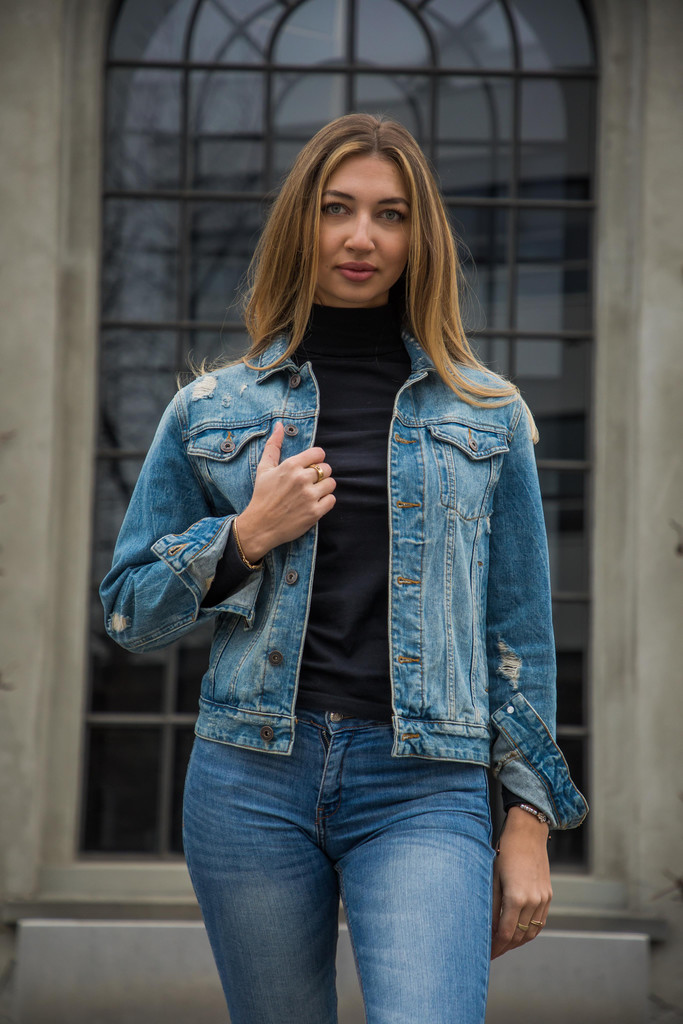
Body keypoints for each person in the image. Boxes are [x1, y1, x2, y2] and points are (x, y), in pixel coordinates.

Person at [100, 113, 587, 1024]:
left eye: (389, 214)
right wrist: (245, 536)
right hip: (250, 778)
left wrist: (528, 820)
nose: (362, 236)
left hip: (424, 783)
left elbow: (518, 634)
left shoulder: (488, 414)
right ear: (303, 224)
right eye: (337, 209)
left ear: (417, 238)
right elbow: (129, 613)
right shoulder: (209, 409)